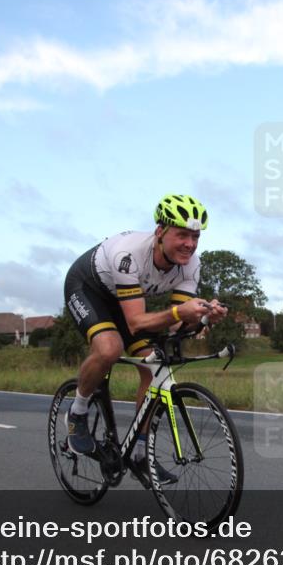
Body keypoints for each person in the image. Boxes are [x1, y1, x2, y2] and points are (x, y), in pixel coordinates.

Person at [62, 194, 227, 481]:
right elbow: (137, 322)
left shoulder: (191, 265)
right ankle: (77, 414)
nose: (190, 243)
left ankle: (139, 453)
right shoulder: (129, 255)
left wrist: (201, 318)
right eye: (182, 235)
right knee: (109, 349)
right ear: (160, 232)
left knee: (154, 366)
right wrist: (180, 311)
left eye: (196, 236)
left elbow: (176, 328)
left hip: (127, 300)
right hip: (88, 288)